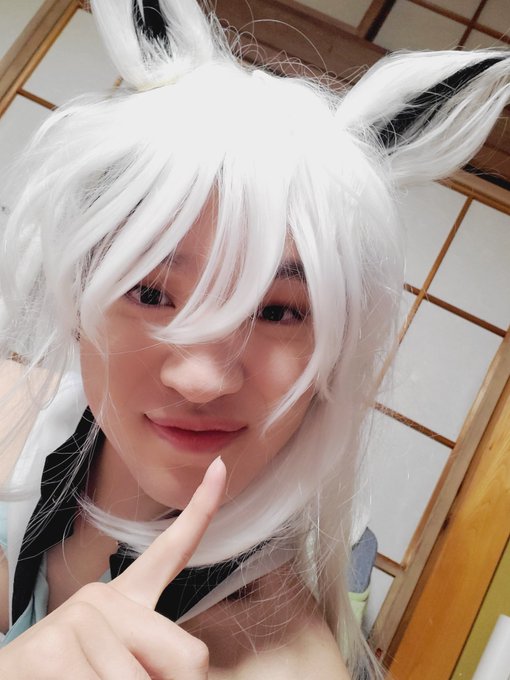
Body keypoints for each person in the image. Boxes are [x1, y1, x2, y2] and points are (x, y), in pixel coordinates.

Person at [0, 0, 508, 677]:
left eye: (277, 311)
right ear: (77, 298)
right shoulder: (18, 420)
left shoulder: (284, 666)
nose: (202, 379)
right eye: (150, 293)